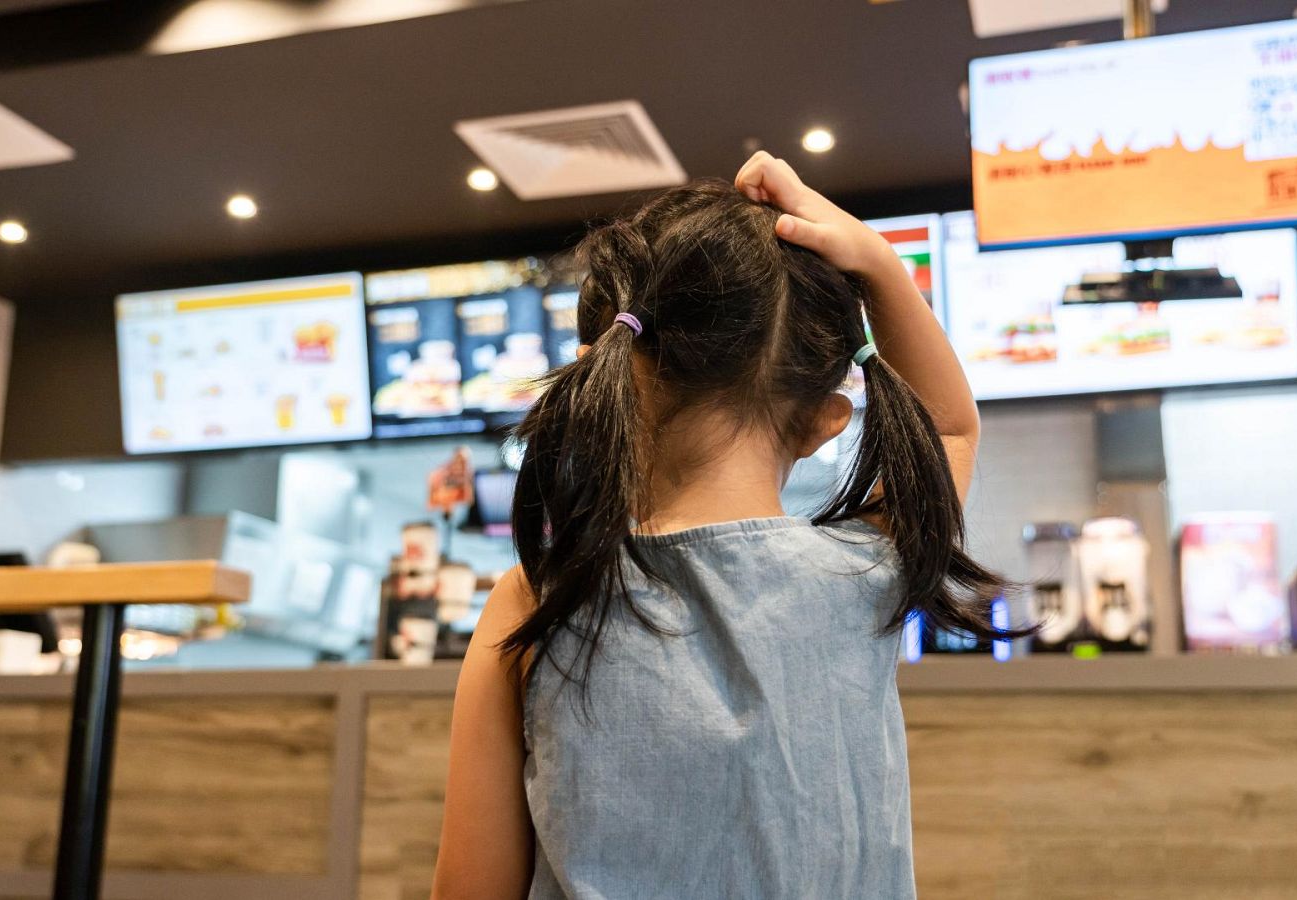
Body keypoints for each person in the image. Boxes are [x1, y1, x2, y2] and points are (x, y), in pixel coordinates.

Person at [432, 153, 1018, 899]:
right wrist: (875, 261)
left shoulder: (537, 599)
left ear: (600, 379)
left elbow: (470, 889)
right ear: (821, 422)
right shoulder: (866, 574)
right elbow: (952, 433)